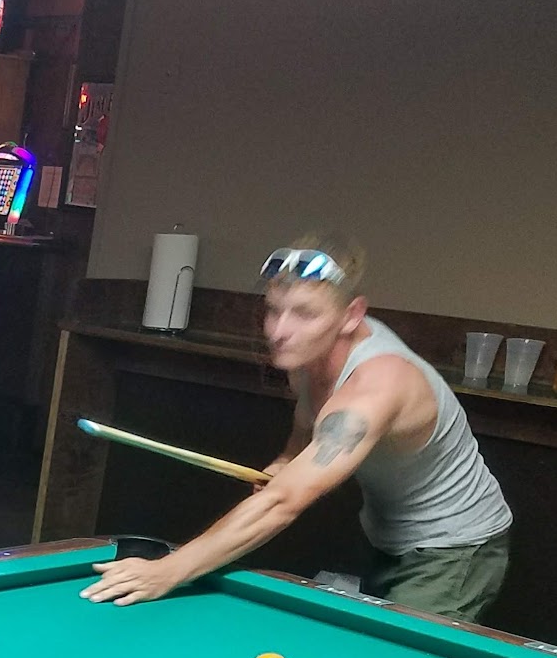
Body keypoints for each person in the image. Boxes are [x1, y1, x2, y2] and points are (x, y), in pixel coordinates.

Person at [82, 239, 513, 622]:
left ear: (351, 316)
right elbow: (307, 426)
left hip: (456, 548)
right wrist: (285, 461)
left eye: (305, 314)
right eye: (274, 310)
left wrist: (168, 571)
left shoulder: (377, 386)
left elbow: (282, 504)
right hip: (387, 534)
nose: (280, 331)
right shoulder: (308, 358)